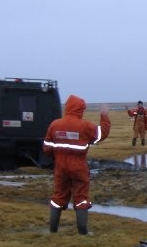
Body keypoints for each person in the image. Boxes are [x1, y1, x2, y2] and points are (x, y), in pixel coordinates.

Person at [43, 95, 111, 235]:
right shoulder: (85, 126)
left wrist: (58, 156)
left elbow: (47, 147)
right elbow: (101, 134)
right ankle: (82, 231)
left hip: (61, 166)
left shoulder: (55, 125)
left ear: (67, 107)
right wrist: (104, 115)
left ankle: (52, 231)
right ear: (80, 109)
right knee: (81, 197)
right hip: (79, 167)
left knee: (58, 197)